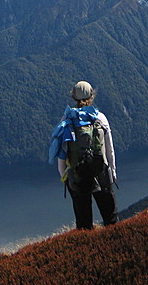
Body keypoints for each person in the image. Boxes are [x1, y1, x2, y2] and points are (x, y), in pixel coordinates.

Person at [49, 80, 118, 229]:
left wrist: (65, 177)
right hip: (101, 173)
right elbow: (109, 149)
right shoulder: (100, 118)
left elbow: (62, 152)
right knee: (111, 220)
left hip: (77, 176)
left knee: (84, 224)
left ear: (73, 97)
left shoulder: (67, 119)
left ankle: (86, 248)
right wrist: (112, 173)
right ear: (92, 95)